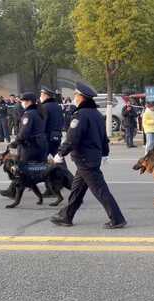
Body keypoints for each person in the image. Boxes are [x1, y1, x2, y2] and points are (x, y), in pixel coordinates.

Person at [50, 82, 126, 229]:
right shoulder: (96, 114)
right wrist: (105, 153)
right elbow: (103, 137)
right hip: (90, 158)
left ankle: (117, 219)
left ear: (82, 97)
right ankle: (66, 216)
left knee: (100, 190)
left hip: (85, 159)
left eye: (76, 95)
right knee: (77, 190)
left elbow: (72, 138)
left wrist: (60, 153)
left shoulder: (81, 115)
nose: (74, 98)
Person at [8, 93, 48, 162]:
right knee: (40, 169)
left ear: (29, 102)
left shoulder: (28, 114)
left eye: (23, 101)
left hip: (30, 146)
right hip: (41, 144)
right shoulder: (39, 112)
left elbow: (24, 132)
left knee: (26, 169)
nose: (22, 103)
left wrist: (15, 143)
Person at [40, 87, 64, 157]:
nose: (40, 97)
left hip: (46, 137)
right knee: (58, 158)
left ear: (46, 96)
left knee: (41, 160)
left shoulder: (44, 107)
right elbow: (62, 121)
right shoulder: (58, 106)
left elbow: (42, 123)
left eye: (41, 95)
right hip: (56, 136)